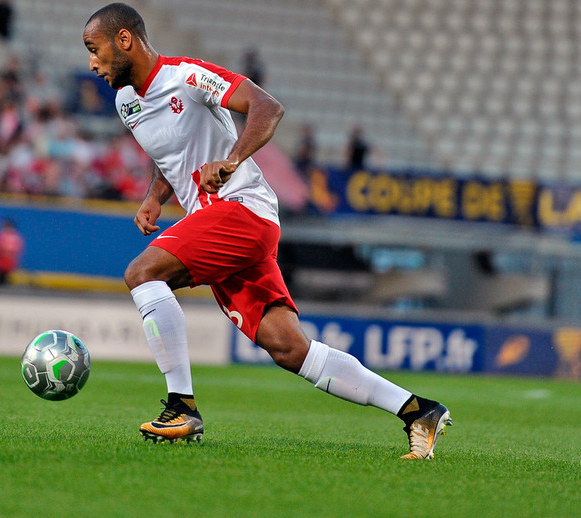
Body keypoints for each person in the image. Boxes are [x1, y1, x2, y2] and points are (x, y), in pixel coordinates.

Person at [82, 3, 451, 459]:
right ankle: (418, 411)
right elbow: (170, 155)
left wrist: (232, 160)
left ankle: (182, 406)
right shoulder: (126, 102)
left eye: (94, 50)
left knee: (143, 273)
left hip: (241, 210)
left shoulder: (186, 76)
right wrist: (155, 196)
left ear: (124, 40)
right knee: (289, 347)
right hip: (215, 222)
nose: (92, 64)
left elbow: (267, 107)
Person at [0, 218, 23, 285]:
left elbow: (17, 250)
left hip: (7, 259)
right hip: (2, 258)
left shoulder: (12, 237)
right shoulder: (1, 235)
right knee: (1, 275)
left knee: (5, 276)